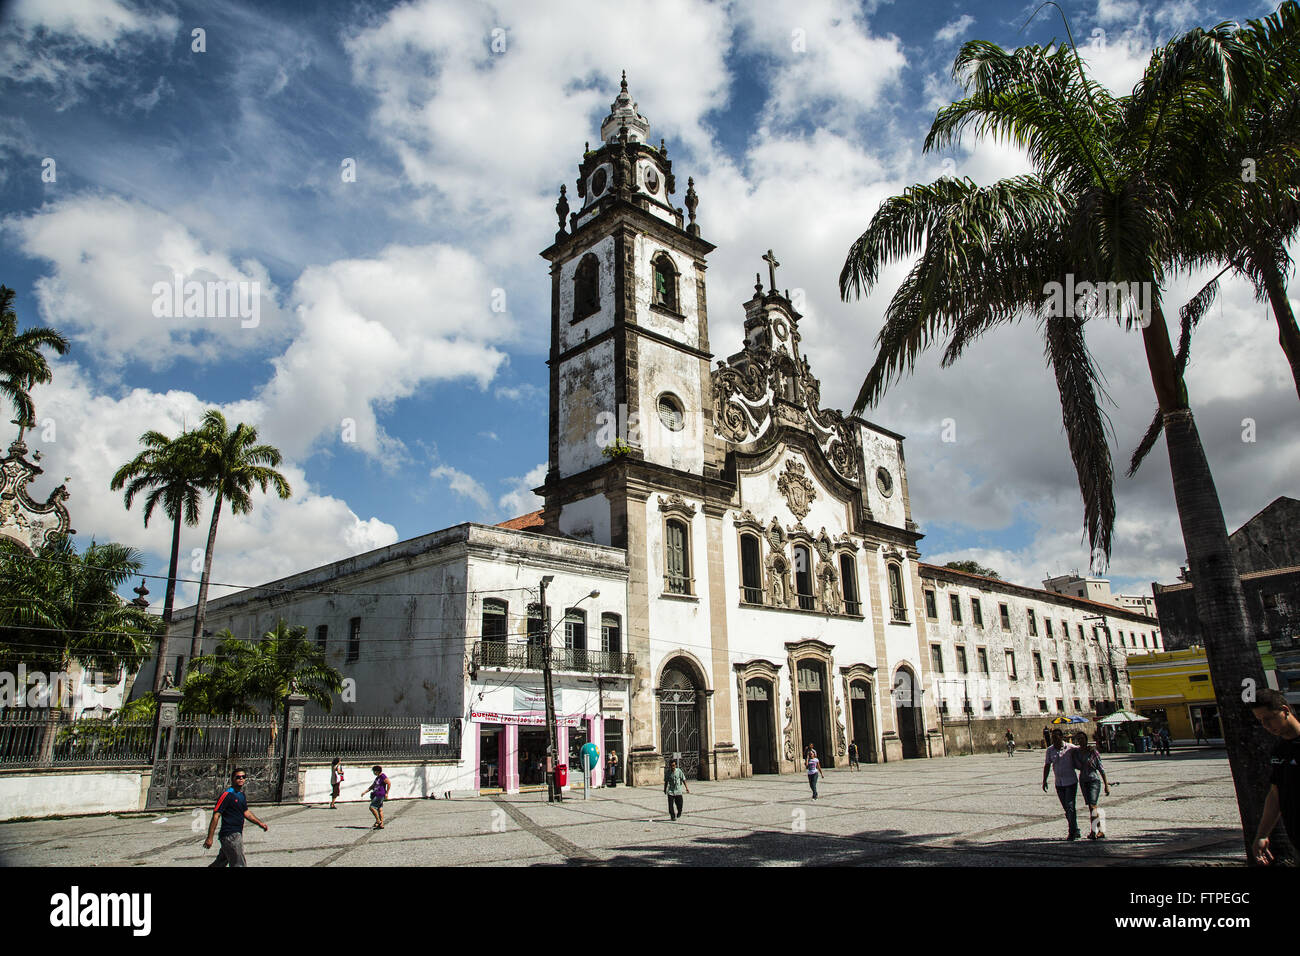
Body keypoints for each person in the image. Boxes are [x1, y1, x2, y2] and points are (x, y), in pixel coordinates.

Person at [1250, 688, 1300, 865]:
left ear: (1285, 711)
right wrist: (1262, 834)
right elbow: (1275, 794)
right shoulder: (1279, 750)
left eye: (1269, 718)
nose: (1266, 725)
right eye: (1261, 721)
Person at [204, 768, 269, 867]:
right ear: (232, 779)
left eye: (243, 777)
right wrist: (209, 838)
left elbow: (246, 812)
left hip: (236, 833)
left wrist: (260, 823)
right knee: (239, 864)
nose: (241, 779)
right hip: (230, 835)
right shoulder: (227, 795)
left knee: (220, 863)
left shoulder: (241, 795)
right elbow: (216, 816)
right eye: (238, 777)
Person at [1042, 729, 1081, 840]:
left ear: (1061, 737)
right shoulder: (1050, 750)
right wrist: (1044, 780)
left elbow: (1082, 751)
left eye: (1055, 737)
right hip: (1059, 783)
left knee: (1070, 807)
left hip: (1071, 782)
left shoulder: (1071, 748)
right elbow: (1047, 765)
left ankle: (1072, 832)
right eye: (1052, 737)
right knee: (1067, 809)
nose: (1053, 739)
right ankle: (1076, 829)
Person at [1072, 731, 1111, 839]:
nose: (1080, 741)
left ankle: (1097, 831)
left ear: (1086, 739)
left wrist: (1106, 785)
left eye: (1082, 738)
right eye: (1078, 739)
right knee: (1091, 807)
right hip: (1083, 781)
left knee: (1092, 806)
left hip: (1094, 780)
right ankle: (1095, 831)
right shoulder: (1077, 752)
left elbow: (1101, 769)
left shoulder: (1093, 752)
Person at [364, 765, 390, 829]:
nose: (373, 773)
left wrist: (387, 793)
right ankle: (381, 824)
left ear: (377, 771)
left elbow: (389, 783)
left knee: (372, 807)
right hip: (377, 794)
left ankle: (378, 821)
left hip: (380, 794)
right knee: (379, 809)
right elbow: (373, 786)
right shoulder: (377, 778)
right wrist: (365, 792)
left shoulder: (382, 776)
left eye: (374, 771)